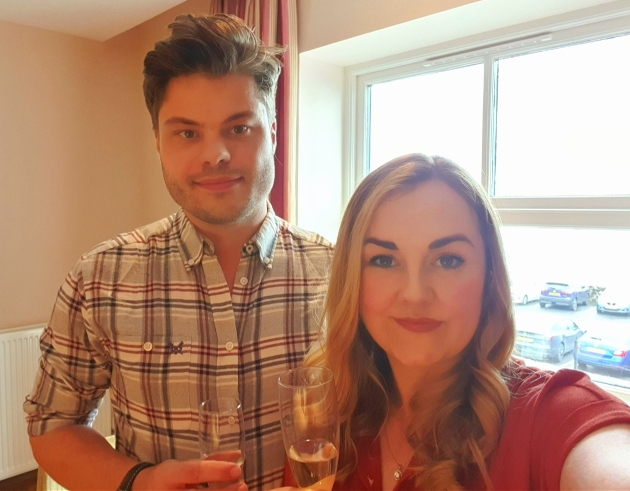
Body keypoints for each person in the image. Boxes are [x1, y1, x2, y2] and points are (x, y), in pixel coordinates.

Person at [24, 13, 333, 491]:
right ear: (158, 142)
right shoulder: (100, 277)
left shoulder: (341, 276)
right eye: (187, 132)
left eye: (239, 128)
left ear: (272, 130)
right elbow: (53, 426)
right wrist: (139, 482)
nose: (215, 155)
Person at [304, 153, 630, 490]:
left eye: (448, 260)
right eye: (384, 260)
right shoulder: (333, 416)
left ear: (489, 279)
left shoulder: (547, 416)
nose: (415, 294)